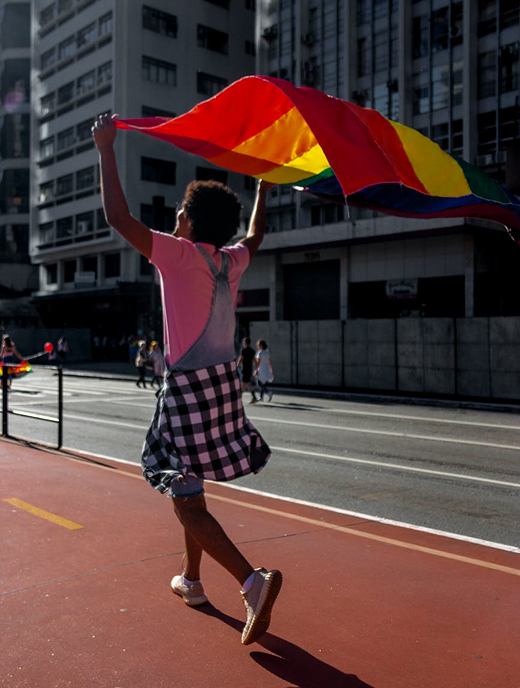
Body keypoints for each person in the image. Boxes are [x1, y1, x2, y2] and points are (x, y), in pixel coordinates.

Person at [93, 112, 281, 646]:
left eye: (178, 214)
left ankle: (252, 582)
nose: (174, 220)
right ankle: (192, 581)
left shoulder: (175, 256)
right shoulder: (231, 261)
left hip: (188, 392)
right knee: (190, 486)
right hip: (223, 390)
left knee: (179, 490)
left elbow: (117, 216)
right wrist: (264, 186)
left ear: (189, 225)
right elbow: (257, 234)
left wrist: (107, 149)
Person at [237, 337, 258, 404]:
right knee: (244, 383)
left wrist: (237, 365)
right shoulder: (252, 351)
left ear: (245, 343)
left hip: (244, 368)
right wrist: (256, 369)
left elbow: (241, 358)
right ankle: (240, 398)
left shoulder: (244, 350)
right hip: (249, 368)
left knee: (246, 383)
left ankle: (253, 397)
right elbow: (255, 361)